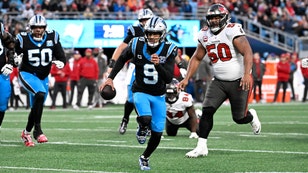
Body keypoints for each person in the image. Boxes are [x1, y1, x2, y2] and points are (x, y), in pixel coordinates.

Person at [177, 3, 261, 158]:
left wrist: (247, 73)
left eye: (217, 17)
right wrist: (186, 78)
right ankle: (202, 146)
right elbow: (197, 57)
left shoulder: (232, 30)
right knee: (207, 110)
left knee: (239, 118)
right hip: (219, 81)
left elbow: (247, 51)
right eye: (211, 18)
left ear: (225, 18)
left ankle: (251, 117)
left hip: (239, 80)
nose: (214, 21)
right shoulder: (204, 34)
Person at [99, 16, 177, 171]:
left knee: (157, 133)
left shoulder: (169, 49)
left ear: (162, 34)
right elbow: (121, 59)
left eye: (156, 33)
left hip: (159, 95)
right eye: (150, 33)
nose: (152, 36)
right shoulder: (137, 44)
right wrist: (110, 79)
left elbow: (168, 77)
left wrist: (158, 65)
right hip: (140, 90)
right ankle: (142, 126)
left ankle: (144, 157)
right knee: (146, 118)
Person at [15, 14, 66, 147]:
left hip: (43, 76)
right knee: (40, 94)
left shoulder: (52, 37)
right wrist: (15, 60)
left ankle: (26, 133)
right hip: (27, 74)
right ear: (30, 28)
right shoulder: (22, 39)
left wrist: (61, 62)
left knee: (37, 106)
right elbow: (14, 55)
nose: (38, 30)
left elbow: (61, 54)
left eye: (41, 27)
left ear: (45, 27)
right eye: (35, 27)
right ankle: (38, 130)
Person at [104, 8, 154, 134]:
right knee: (132, 98)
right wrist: (112, 63)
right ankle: (125, 120)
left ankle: (146, 125)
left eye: (147, 19)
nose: (145, 22)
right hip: (136, 66)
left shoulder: (158, 30)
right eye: (143, 20)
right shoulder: (136, 30)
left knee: (151, 96)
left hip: (153, 67)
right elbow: (122, 47)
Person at [0, 22, 17, 128]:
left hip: (2, 74)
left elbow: (12, 48)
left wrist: (10, 63)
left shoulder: (3, 35)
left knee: (2, 104)